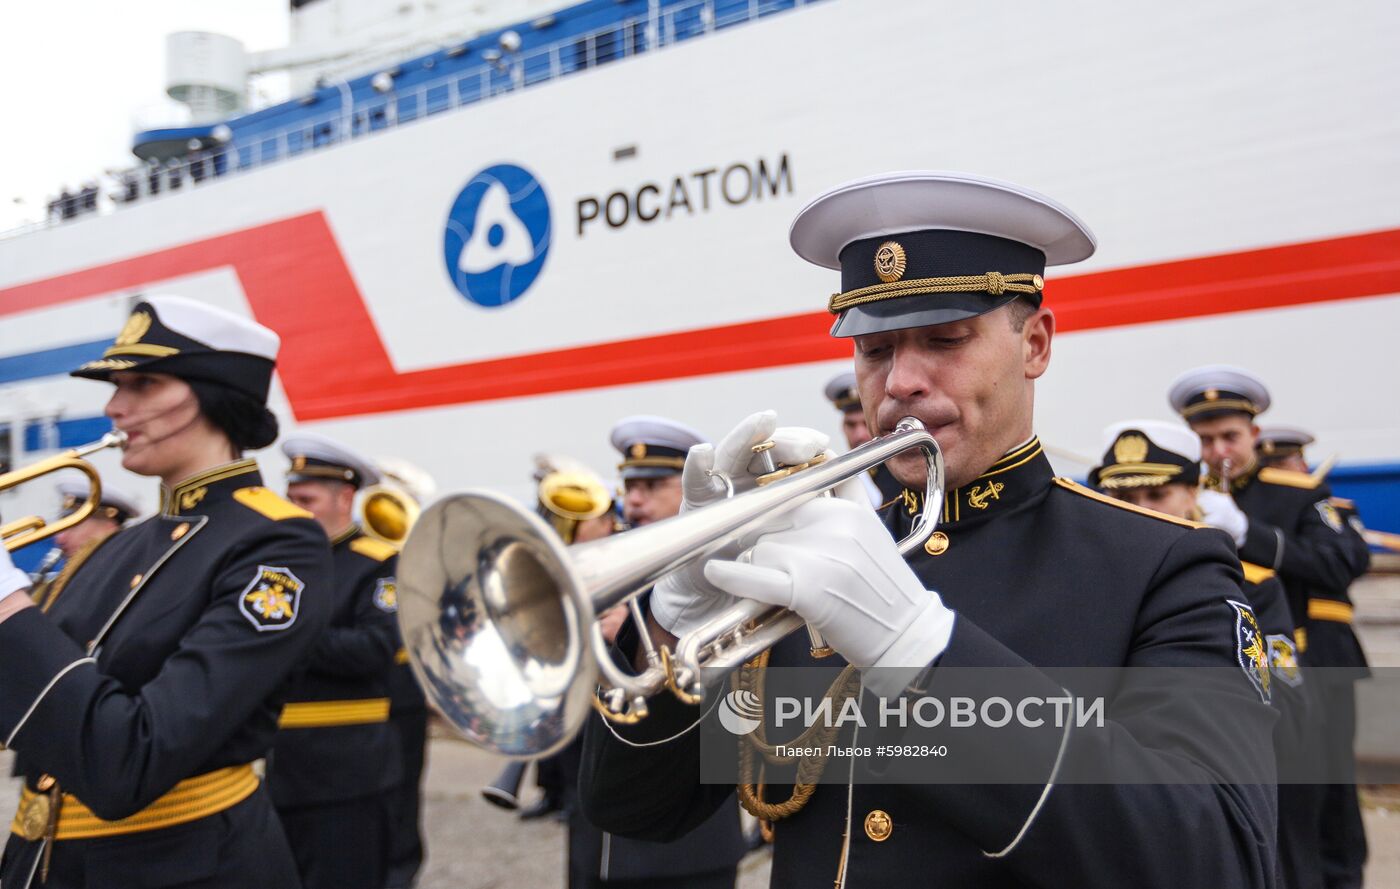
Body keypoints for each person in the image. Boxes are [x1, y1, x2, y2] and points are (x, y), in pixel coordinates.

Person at [580, 171, 1279, 887]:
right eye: (875, 350)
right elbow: (633, 811)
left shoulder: (1166, 566)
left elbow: (1221, 856)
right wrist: (672, 624)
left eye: (945, 338)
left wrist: (927, 656)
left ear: (1035, 344)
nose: (902, 380)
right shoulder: (811, 564)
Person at [0, 295, 332, 888]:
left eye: (143, 384)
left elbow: (129, 760)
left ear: (215, 391)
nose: (114, 407)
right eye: (115, 386)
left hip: (180, 866)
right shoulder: (111, 548)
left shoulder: (278, 544)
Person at [1090, 419, 1324, 889]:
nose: (1141, 512)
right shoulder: (1088, 586)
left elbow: (1287, 710)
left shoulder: (1250, 587)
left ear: (1194, 494)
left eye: (1158, 497)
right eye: (1124, 499)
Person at [1170, 366, 1371, 889]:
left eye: (1229, 436)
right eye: (1205, 439)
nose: (1218, 451)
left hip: (1313, 664)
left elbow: (1342, 562)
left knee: (1323, 798)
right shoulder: (1180, 493)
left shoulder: (1299, 493)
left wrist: (1247, 532)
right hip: (1230, 671)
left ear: (1254, 434)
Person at [563, 417, 748, 889]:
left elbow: (738, 707)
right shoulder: (607, 565)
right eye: (629, 486)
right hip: (599, 827)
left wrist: (643, 638)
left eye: (651, 486)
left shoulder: (731, 571)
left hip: (686, 840)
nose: (635, 499)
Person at [266, 433, 403, 889]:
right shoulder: (277, 565)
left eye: (306, 499)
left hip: (346, 772)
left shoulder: (378, 563)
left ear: (345, 498)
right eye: (290, 498)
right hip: (277, 765)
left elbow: (374, 650)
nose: (294, 510)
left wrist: (288, 634)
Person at [26, 481, 140, 611]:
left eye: (73, 526)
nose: (59, 538)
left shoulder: (117, 580)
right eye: (61, 526)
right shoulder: (57, 584)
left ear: (109, 527)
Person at [824, 370, 903, 508]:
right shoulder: (841, 477)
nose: (859, 435)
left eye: (865, 424)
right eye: (851, 425)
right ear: (843, 427)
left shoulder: (902, 471)